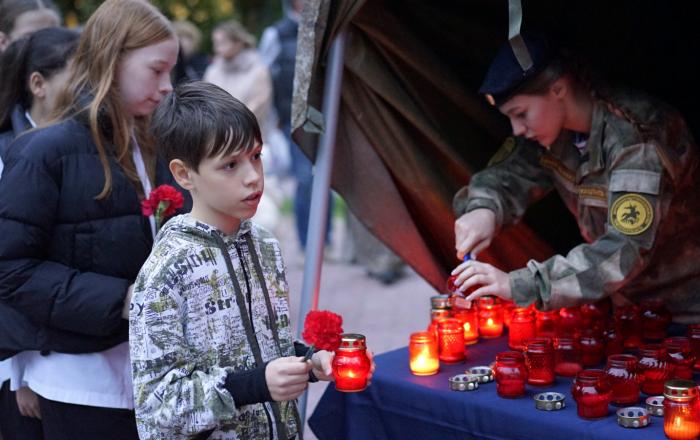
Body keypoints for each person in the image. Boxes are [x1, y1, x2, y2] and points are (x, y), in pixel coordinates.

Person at [131, 81, 370, 439]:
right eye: (229, 165)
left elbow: (265, 347)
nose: (253, 177)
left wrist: (310, 360)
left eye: (256, 156)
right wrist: (253, 386)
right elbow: (157, 409)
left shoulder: (265, 245)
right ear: (184, 174)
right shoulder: (166, 271)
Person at [0, 0, 184, 438]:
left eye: (171, 72)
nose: (167, 86)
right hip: (80, 383)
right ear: (111, 60)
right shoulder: (44, 151)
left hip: (157, 377)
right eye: (156, 70)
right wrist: (121, 300)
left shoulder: (160, 145)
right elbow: (11, 269)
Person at [450, 32, 700, 323]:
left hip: (686, 311)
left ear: (558, 89)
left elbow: (623, 252)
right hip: (629, 309)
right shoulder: (552, 133)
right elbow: (509, 174)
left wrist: (520, 285)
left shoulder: (635, 139)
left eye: (521, 113)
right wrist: (484, 209)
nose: (517, 129)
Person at [0, 26, 78, 440]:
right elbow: (12, 269)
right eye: (77, 78)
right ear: (38, 84)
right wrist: (20, 373)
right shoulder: (10, 153)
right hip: (19, 361)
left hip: (65, 358)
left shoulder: (81, 146)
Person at [259, 0, 335, 252]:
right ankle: (307, 243)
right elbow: (263, 76)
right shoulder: (276, 34)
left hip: (323, 114)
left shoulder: (326, 29)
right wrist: (270, 121)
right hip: (292, 117)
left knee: (326, 178)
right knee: (304, 179)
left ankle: (326, 240)